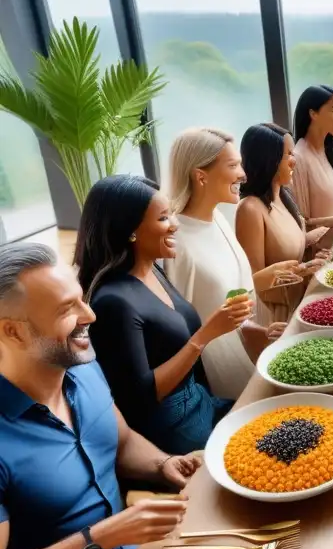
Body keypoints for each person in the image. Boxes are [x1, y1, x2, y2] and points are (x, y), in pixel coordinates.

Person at [0, 242, 206, 549]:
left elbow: (121, 439)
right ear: (12, 333)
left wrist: (162, 464)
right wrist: (97, 540)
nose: (90, 315)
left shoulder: (81, 366)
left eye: (81, 298)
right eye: (67, 309)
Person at [75, 175, 251, 455]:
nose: (175, 224)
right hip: (175, 428)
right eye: (163, 218)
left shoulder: (152, 269)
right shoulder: (113, 303)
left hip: (202, 404)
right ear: (130, 230)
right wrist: (205, 335)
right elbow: (140, 398)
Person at [162, 127, 294, 399]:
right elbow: (178, 334)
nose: (243, 175)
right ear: (201, 176)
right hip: (219, 383)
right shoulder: (176, 244)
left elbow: (231, 303)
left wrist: (261, 332)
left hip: (248, 359)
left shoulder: (218, 219)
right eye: (233, 165)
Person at [235, 122, 328, 324]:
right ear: (269, 160)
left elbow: (292, 242)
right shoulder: (250, 209)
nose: (294, 160)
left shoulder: (283, 197)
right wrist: (301, 270)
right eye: (289, 154)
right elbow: (254, 283)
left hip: (301, 303)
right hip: (278, 318)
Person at [291, 84, 333, 248]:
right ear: (313, 113)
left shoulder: (329, 150)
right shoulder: (298, 159)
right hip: (318, 256)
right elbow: (300, 224)